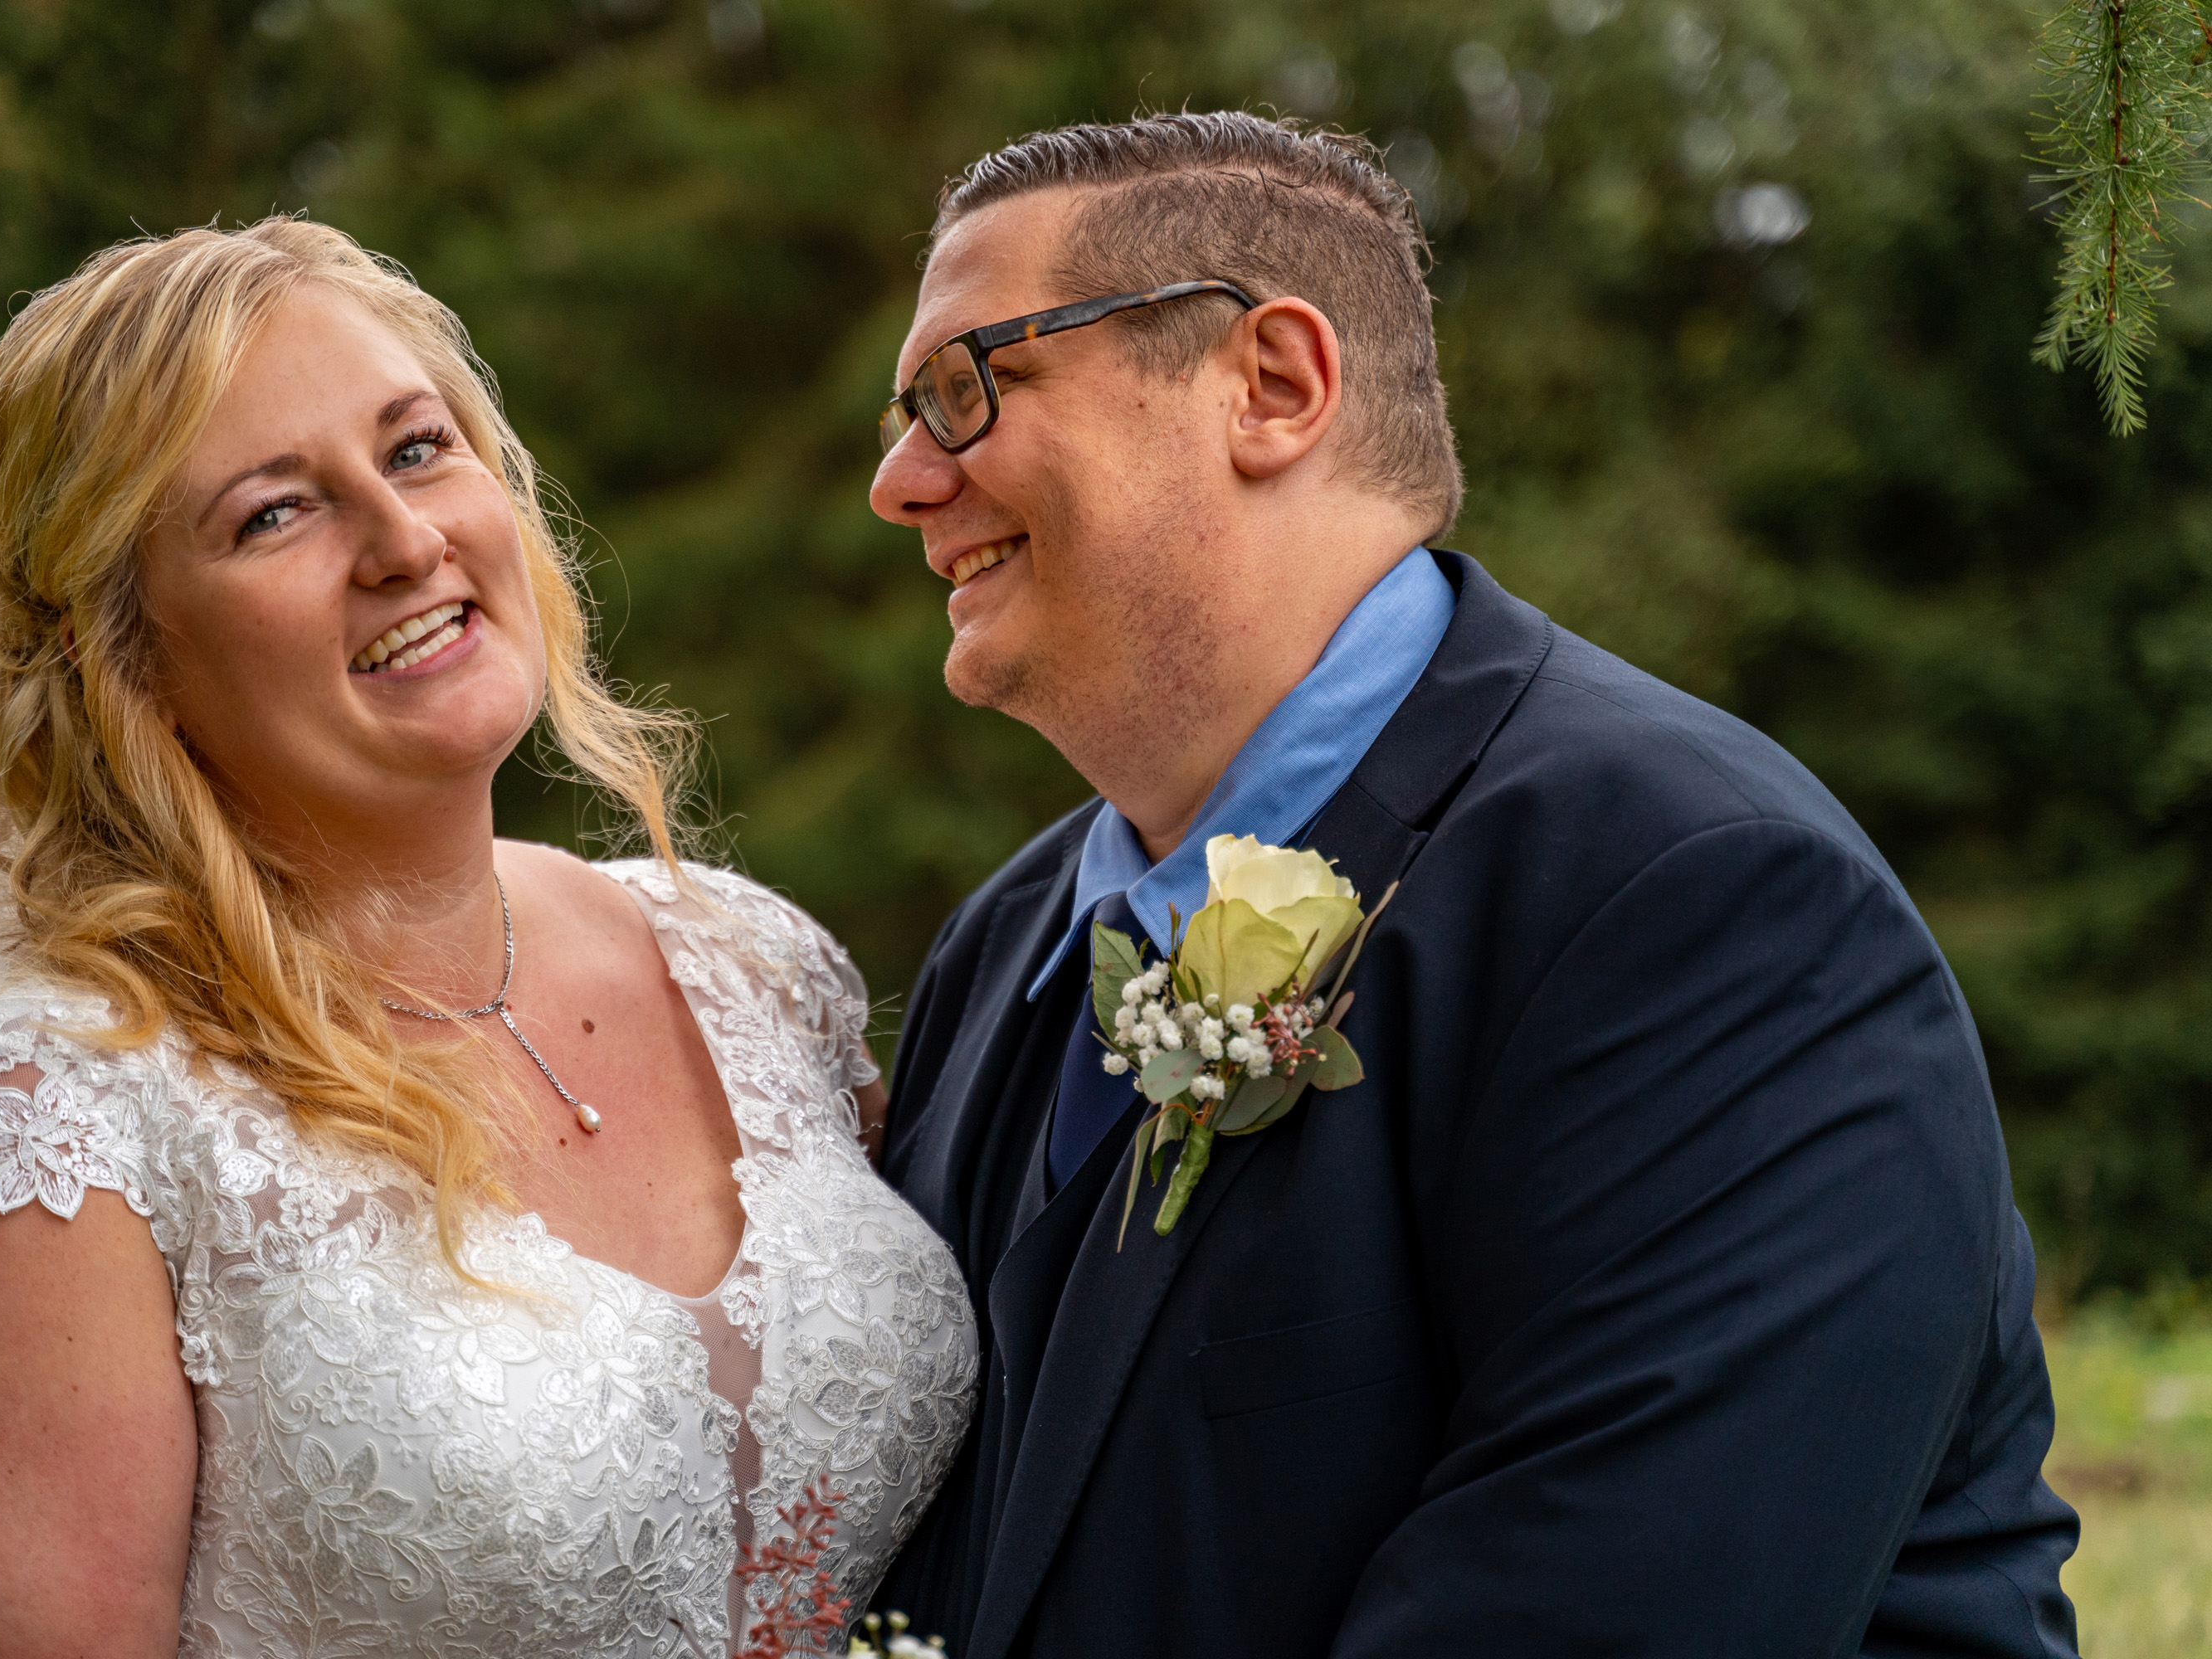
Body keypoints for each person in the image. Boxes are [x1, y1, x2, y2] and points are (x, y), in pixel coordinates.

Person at [866, 111, 2078, 1657]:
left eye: (969, 387)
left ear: (1274, 385)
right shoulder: (1002, 952)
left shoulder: (1705, 912)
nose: (901, 482)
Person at [0, 217, 975, 1659]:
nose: (406, 543)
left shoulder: (750, 966)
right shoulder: (23, 1141)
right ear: (118, 658)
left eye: (416, 449)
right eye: (274, 514)